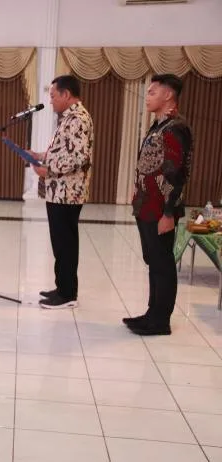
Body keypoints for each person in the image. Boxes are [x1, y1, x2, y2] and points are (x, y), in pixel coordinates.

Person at [123, 74, 193, 336]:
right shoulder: (159, 125)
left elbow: (176, 174)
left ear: (168, 95)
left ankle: (160, 321)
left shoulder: (176, 128)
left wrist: (169, 213)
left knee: (162, 263)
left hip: (160, 209)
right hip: (147, 205)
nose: (147, 96)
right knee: (154, 260)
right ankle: (152, 313)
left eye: (153, 92)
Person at [32, 75, 93, 309]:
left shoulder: (78, 119)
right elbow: (64, 152)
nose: (51, 101)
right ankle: (62, 287)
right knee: (61, 243)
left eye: (53, 96)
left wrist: (48, 170)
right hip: (60, 191)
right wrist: (40, 155)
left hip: (68, 192)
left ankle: (67, 294)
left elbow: (79, 157)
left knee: (65, 244)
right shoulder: (69, 118)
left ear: (66, 94)